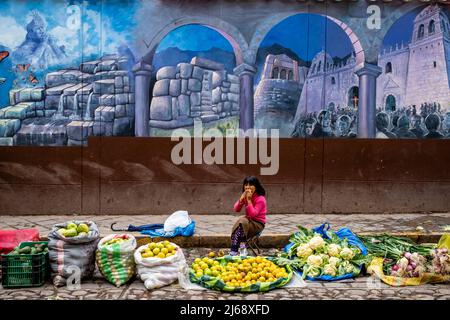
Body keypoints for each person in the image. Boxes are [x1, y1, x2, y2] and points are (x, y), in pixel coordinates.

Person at [230, 176, 267, 256]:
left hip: (258, 224)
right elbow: (236, 209)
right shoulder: (246, 196)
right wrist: (241, 200)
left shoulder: (260, 199)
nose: (247, 187)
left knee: (242, 221)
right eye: (246, 185)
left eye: (250, 185)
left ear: (256, 187)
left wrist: (249, 201)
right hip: (247, 223)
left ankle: (234, 249)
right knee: (241, 223)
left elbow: (253, 214)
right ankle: (241, 249)